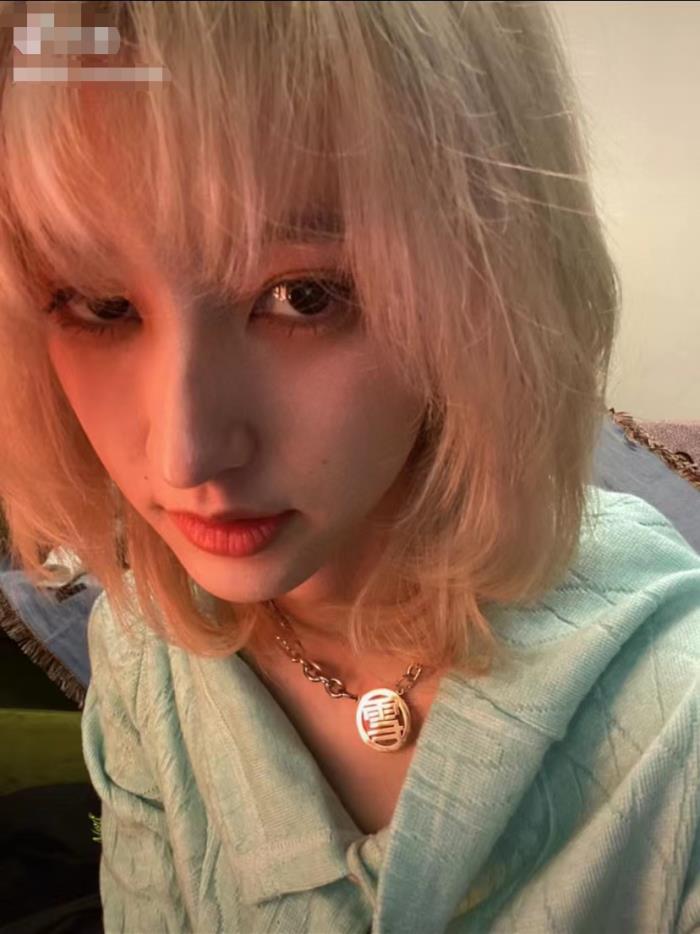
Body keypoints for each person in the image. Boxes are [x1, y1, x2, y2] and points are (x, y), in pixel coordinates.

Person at [0, 2, 698, 931]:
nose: (185, 454)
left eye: (303, 295)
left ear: (487, 284)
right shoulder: (142, 651)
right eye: (100, 304)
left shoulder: (676, 715)